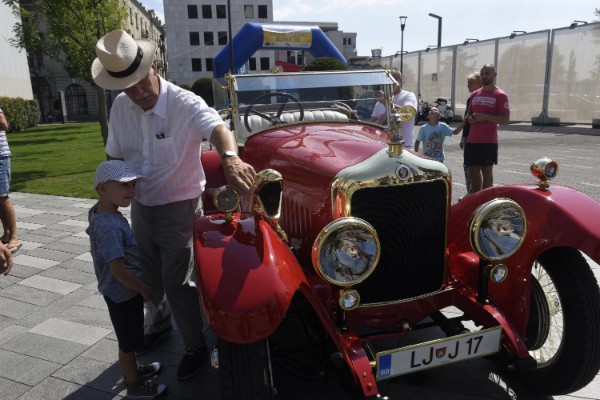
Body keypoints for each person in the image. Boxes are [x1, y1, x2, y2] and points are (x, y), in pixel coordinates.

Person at [91, 29, 256, 381]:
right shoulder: (122, 105)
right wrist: (108, 197)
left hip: (180, 204)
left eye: (140, 82)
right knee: (146, 273)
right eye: (127, 87)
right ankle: (160, 320)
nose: (137, 93)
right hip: (141, 204)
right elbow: (114, 155)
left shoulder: (184, 102)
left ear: (155, 68)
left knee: (178, 280)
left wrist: (229, 158)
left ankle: (194, 343)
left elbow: (217, 128)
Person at [87, 160, 167, 399]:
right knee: (128, 341)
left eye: (133, 185)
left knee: (130, 336)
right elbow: (117, 269)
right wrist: (142, 288)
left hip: (120, 291)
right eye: (124, 186)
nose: (132, 191)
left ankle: (134, 369)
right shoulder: (109, 225)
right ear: (102, 189)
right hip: (123, 292)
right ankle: (134, 384)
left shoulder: (101, 211)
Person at [464, 64, 509, 193]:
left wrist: (485, 117)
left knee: (486, 171)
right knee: (473, 170)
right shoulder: (474, 94)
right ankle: (476, 198)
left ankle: (486, 200)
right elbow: (468, 114)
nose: (484, 76)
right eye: (482, 74)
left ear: (494, 75)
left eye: (487, 73)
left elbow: (505, 119)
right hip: (472, 140)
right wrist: (470, 118)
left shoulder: (500, 95)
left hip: (489, 141)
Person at [454, 71, 483, 196]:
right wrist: (463, 138)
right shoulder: (471, 98)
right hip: (468, 137)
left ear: (480, 83)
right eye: (467, 83)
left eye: (471, 83)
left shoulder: (480, 98)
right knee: (468, 167)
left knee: (475, 167)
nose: (468, 85)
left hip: (478, 138)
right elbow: (466, 120)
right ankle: (471, 191)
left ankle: (475, 193)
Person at [0, 106, 21, 254]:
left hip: (0, 156)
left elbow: (3, 124)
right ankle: (7, 233)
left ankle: (14, 237)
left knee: (2, 196)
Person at [390, 70, 418, 148]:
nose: (391, 82)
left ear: (401, 80)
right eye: (388, 79)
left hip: (405, 146)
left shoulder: (408, 96)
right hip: (384, 146)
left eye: (394, 78)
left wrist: (387, 103)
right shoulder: (380, 101)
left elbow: (408, 114)